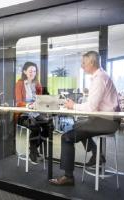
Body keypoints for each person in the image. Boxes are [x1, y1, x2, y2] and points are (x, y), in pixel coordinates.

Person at [49, 51, 120, 186]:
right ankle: (97, 154)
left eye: (83, 63)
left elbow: (92, 107)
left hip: (107, 122)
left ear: (92, 63)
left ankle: (68, 176)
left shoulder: (99, 79)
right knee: (77, 124)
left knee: (66, 137)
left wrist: (73, 105)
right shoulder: (100, 76)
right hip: (104, 119)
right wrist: (73, 105)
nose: (82, 66)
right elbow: (93, 106)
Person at [15, 61, 53, 165]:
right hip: (23, 114)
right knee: (35, 127)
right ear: (24, 72)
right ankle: (33, 152)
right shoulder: (20, 84)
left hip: (35, 113)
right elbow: (18, 102)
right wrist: (28, 105)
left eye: (35, 71)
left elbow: (40, 99)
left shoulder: (37, 84)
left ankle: (33, 148)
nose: (33, 73)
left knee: (49, 126)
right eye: (30, 71)